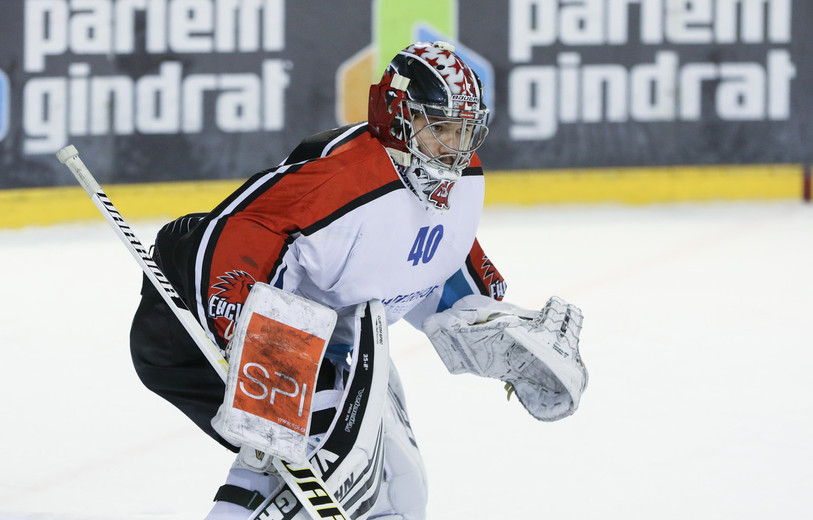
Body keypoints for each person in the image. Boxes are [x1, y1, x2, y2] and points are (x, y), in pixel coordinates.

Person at [130, 41, 587, 520]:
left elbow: (437, 264)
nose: (454, 147)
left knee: (397, 488)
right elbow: (236, 233)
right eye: (440, 128)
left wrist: (494, 328)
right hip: (188, 318)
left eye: (464, 130)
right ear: (398, 116)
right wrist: (248, 331)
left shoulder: (457, 182)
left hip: (316, 345)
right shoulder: (345, 179)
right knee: (310, 462)